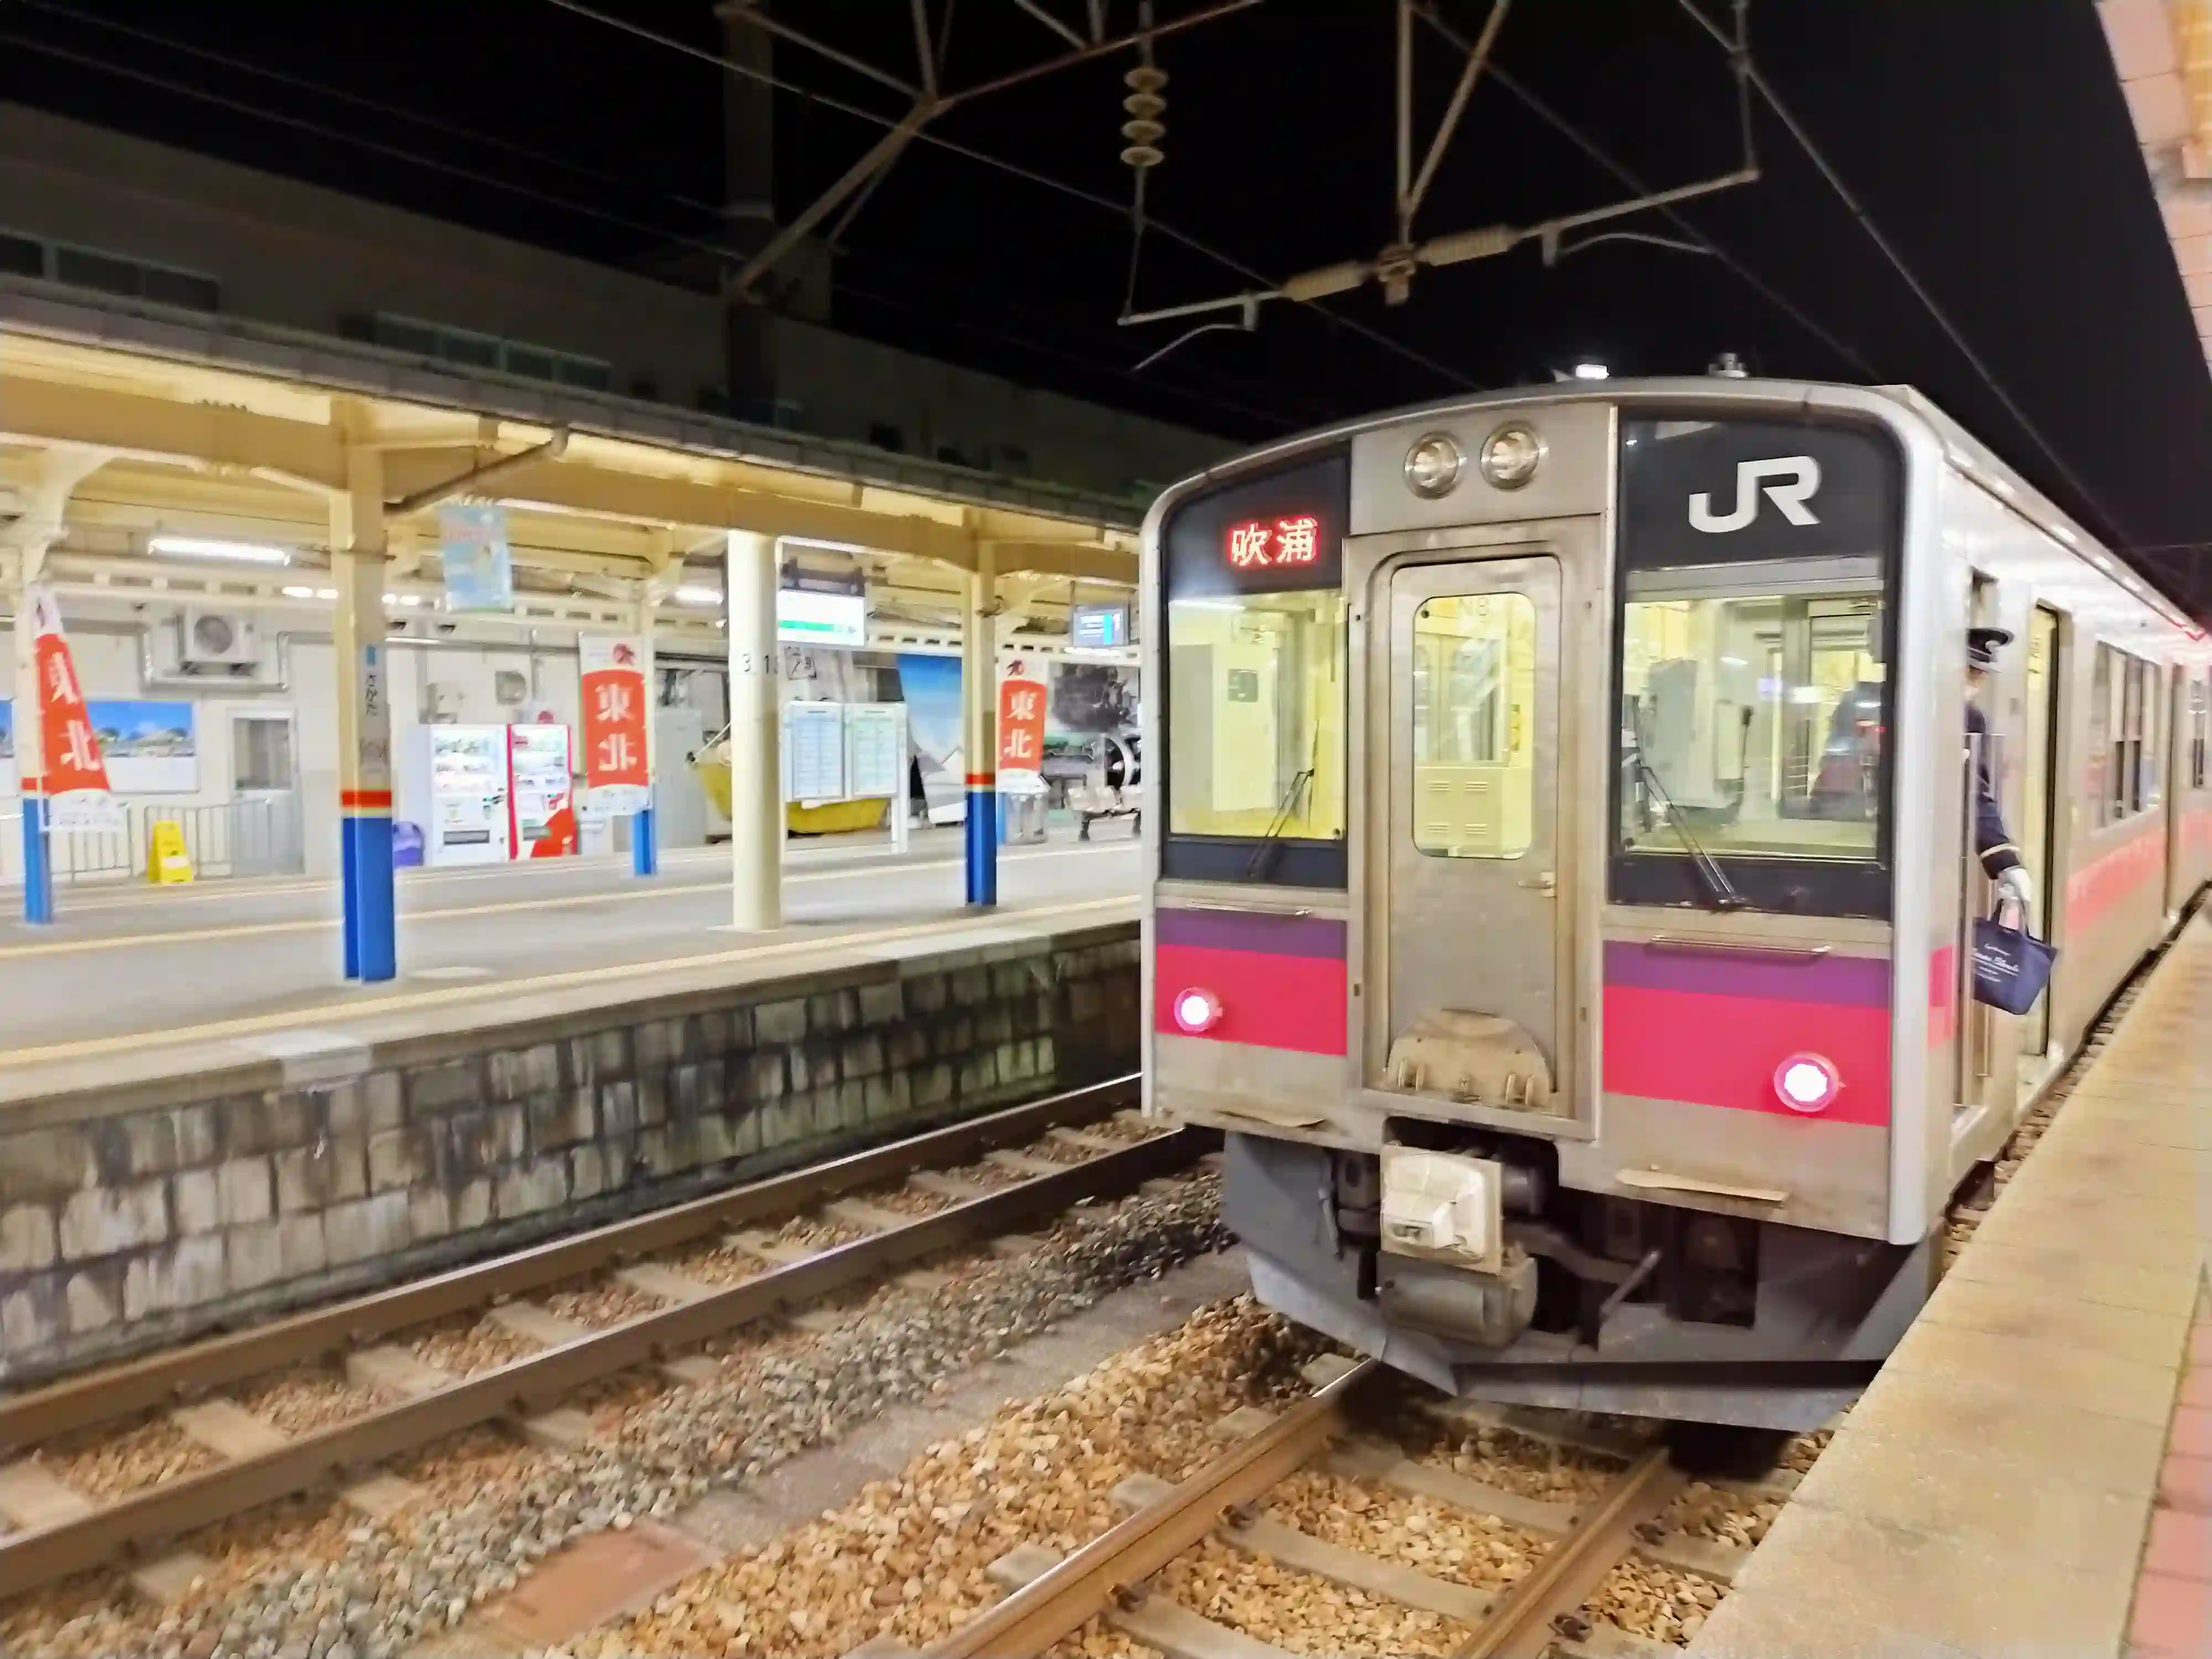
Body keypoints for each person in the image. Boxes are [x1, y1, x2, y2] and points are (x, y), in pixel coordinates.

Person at [1966, 626, 2034, 916]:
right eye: (1971, 672)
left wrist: (2004, 860)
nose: (1976, 682)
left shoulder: (1970, 718)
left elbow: (1972, 790)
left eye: (1980, 675)